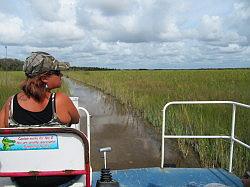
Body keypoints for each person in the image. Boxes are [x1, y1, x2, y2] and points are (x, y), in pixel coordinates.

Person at [0, 51, 79, 128]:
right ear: (44, 78)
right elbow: (76, 119)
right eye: (58, 72)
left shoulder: (11, 103)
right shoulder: (60, 100)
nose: (61, 75)